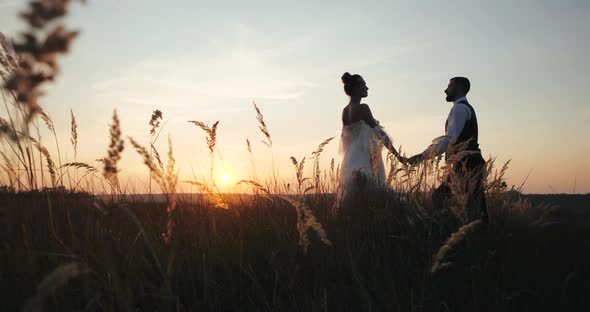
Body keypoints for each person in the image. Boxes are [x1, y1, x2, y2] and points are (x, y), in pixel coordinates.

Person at [407, 77, 488, 224]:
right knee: (476, 208)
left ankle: (442, 229)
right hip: (470, 164)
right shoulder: (465, 108)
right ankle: (468, 234)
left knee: (442, 197)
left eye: (449, 86)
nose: (446, 90)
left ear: (459, 88)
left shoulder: (459, 108)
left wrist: (421, 157)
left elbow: (449, 140)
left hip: (467, 165)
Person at [335, 72, 405, 210]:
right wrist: (398, 156)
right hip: (365, 158)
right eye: (364, 85)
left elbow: (347, 140)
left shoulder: (345, 111)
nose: (367, 88)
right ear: (356, 88)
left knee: (355, 201)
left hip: (350, 161)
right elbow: (379, 133)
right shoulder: (363, 108)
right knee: (373, 195)